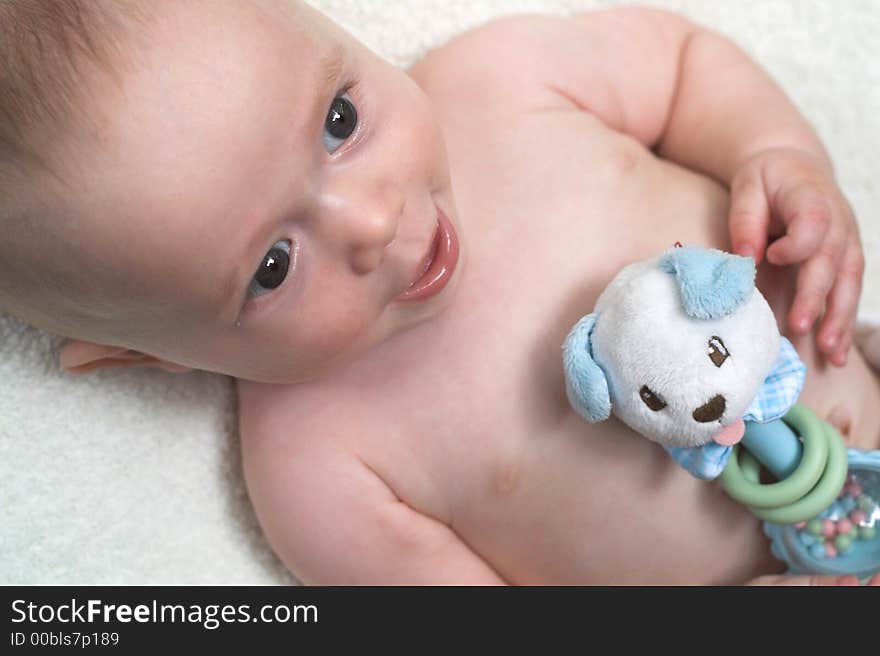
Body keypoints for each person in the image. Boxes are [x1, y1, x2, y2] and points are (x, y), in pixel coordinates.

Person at [2, 0, 878, 584]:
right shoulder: (320, 477)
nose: (371, 223)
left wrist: (780, 157)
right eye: (272, 266)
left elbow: (687, 65)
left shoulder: (503, 78)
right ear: (153, 356)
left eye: (339, 122)